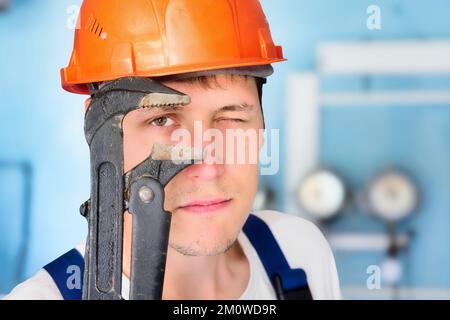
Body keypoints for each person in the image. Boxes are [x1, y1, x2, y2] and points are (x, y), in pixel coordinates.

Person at [4, 0, 341, 300]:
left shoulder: (299, 253)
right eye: (162, 120)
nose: (207, 166)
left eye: (232, 117)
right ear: (99, 134)